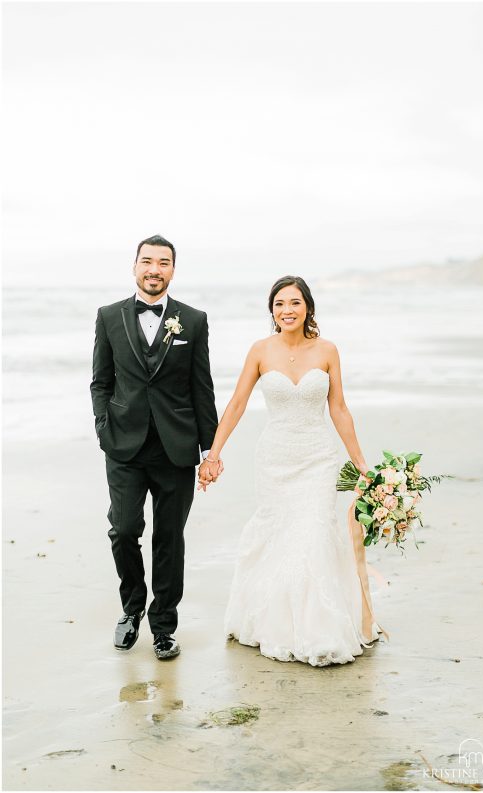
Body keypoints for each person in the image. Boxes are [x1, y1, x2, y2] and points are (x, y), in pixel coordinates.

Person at [198, 275, 385, 666]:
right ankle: (275, 624)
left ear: (308, 308)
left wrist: (361, 464)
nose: (287, 310)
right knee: (278, 533)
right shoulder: (260, 351)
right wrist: (213, 454)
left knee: (315, 532)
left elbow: (339, 409)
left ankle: (320, 629)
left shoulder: (328, 350)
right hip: (275, 458)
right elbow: (235, 404)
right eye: (280, 303)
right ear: (272, 310)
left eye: (295, 303)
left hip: (318, 457)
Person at [90, 234, 221, 660]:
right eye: (147, 261)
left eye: (163, 263)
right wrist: (103, 427)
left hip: (176, 448)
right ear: (134, 267)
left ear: (172, 270)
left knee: (170, 539)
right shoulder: (109, 316)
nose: (154, 269)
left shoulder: (194, 320)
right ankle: (131, 610)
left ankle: (164, 625)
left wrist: (210, 449)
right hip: (124, 448)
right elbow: (101, 380)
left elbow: (202, 388)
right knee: (124, 530)